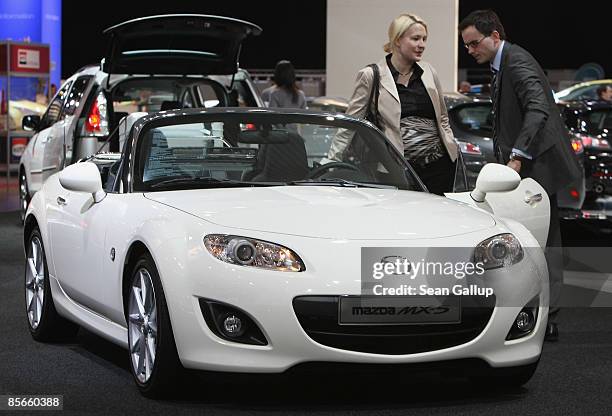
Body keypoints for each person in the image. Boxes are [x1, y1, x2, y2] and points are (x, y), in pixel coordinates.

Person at [459, 10, 582, 341]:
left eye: (474, 43)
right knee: (532, 240)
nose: (470, 51)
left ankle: (547, 317)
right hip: (529, 170)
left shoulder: (517, 61)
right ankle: (535, 311)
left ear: (495, 36)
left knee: (544, 242)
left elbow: (538, 108)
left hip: (537, 169)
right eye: (467, 46)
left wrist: (517, 156)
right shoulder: (505, 63)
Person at [327, 13, 458, 195]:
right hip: (397, 170)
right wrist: (331, 161)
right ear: (397, 40)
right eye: (415, 38)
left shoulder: (429, 72)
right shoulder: (371, 75)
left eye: (424, 39)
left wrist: (451, 147)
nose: (422, 45)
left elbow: (442, 117)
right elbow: (350, 123)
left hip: (440, 168)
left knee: (438, 219)